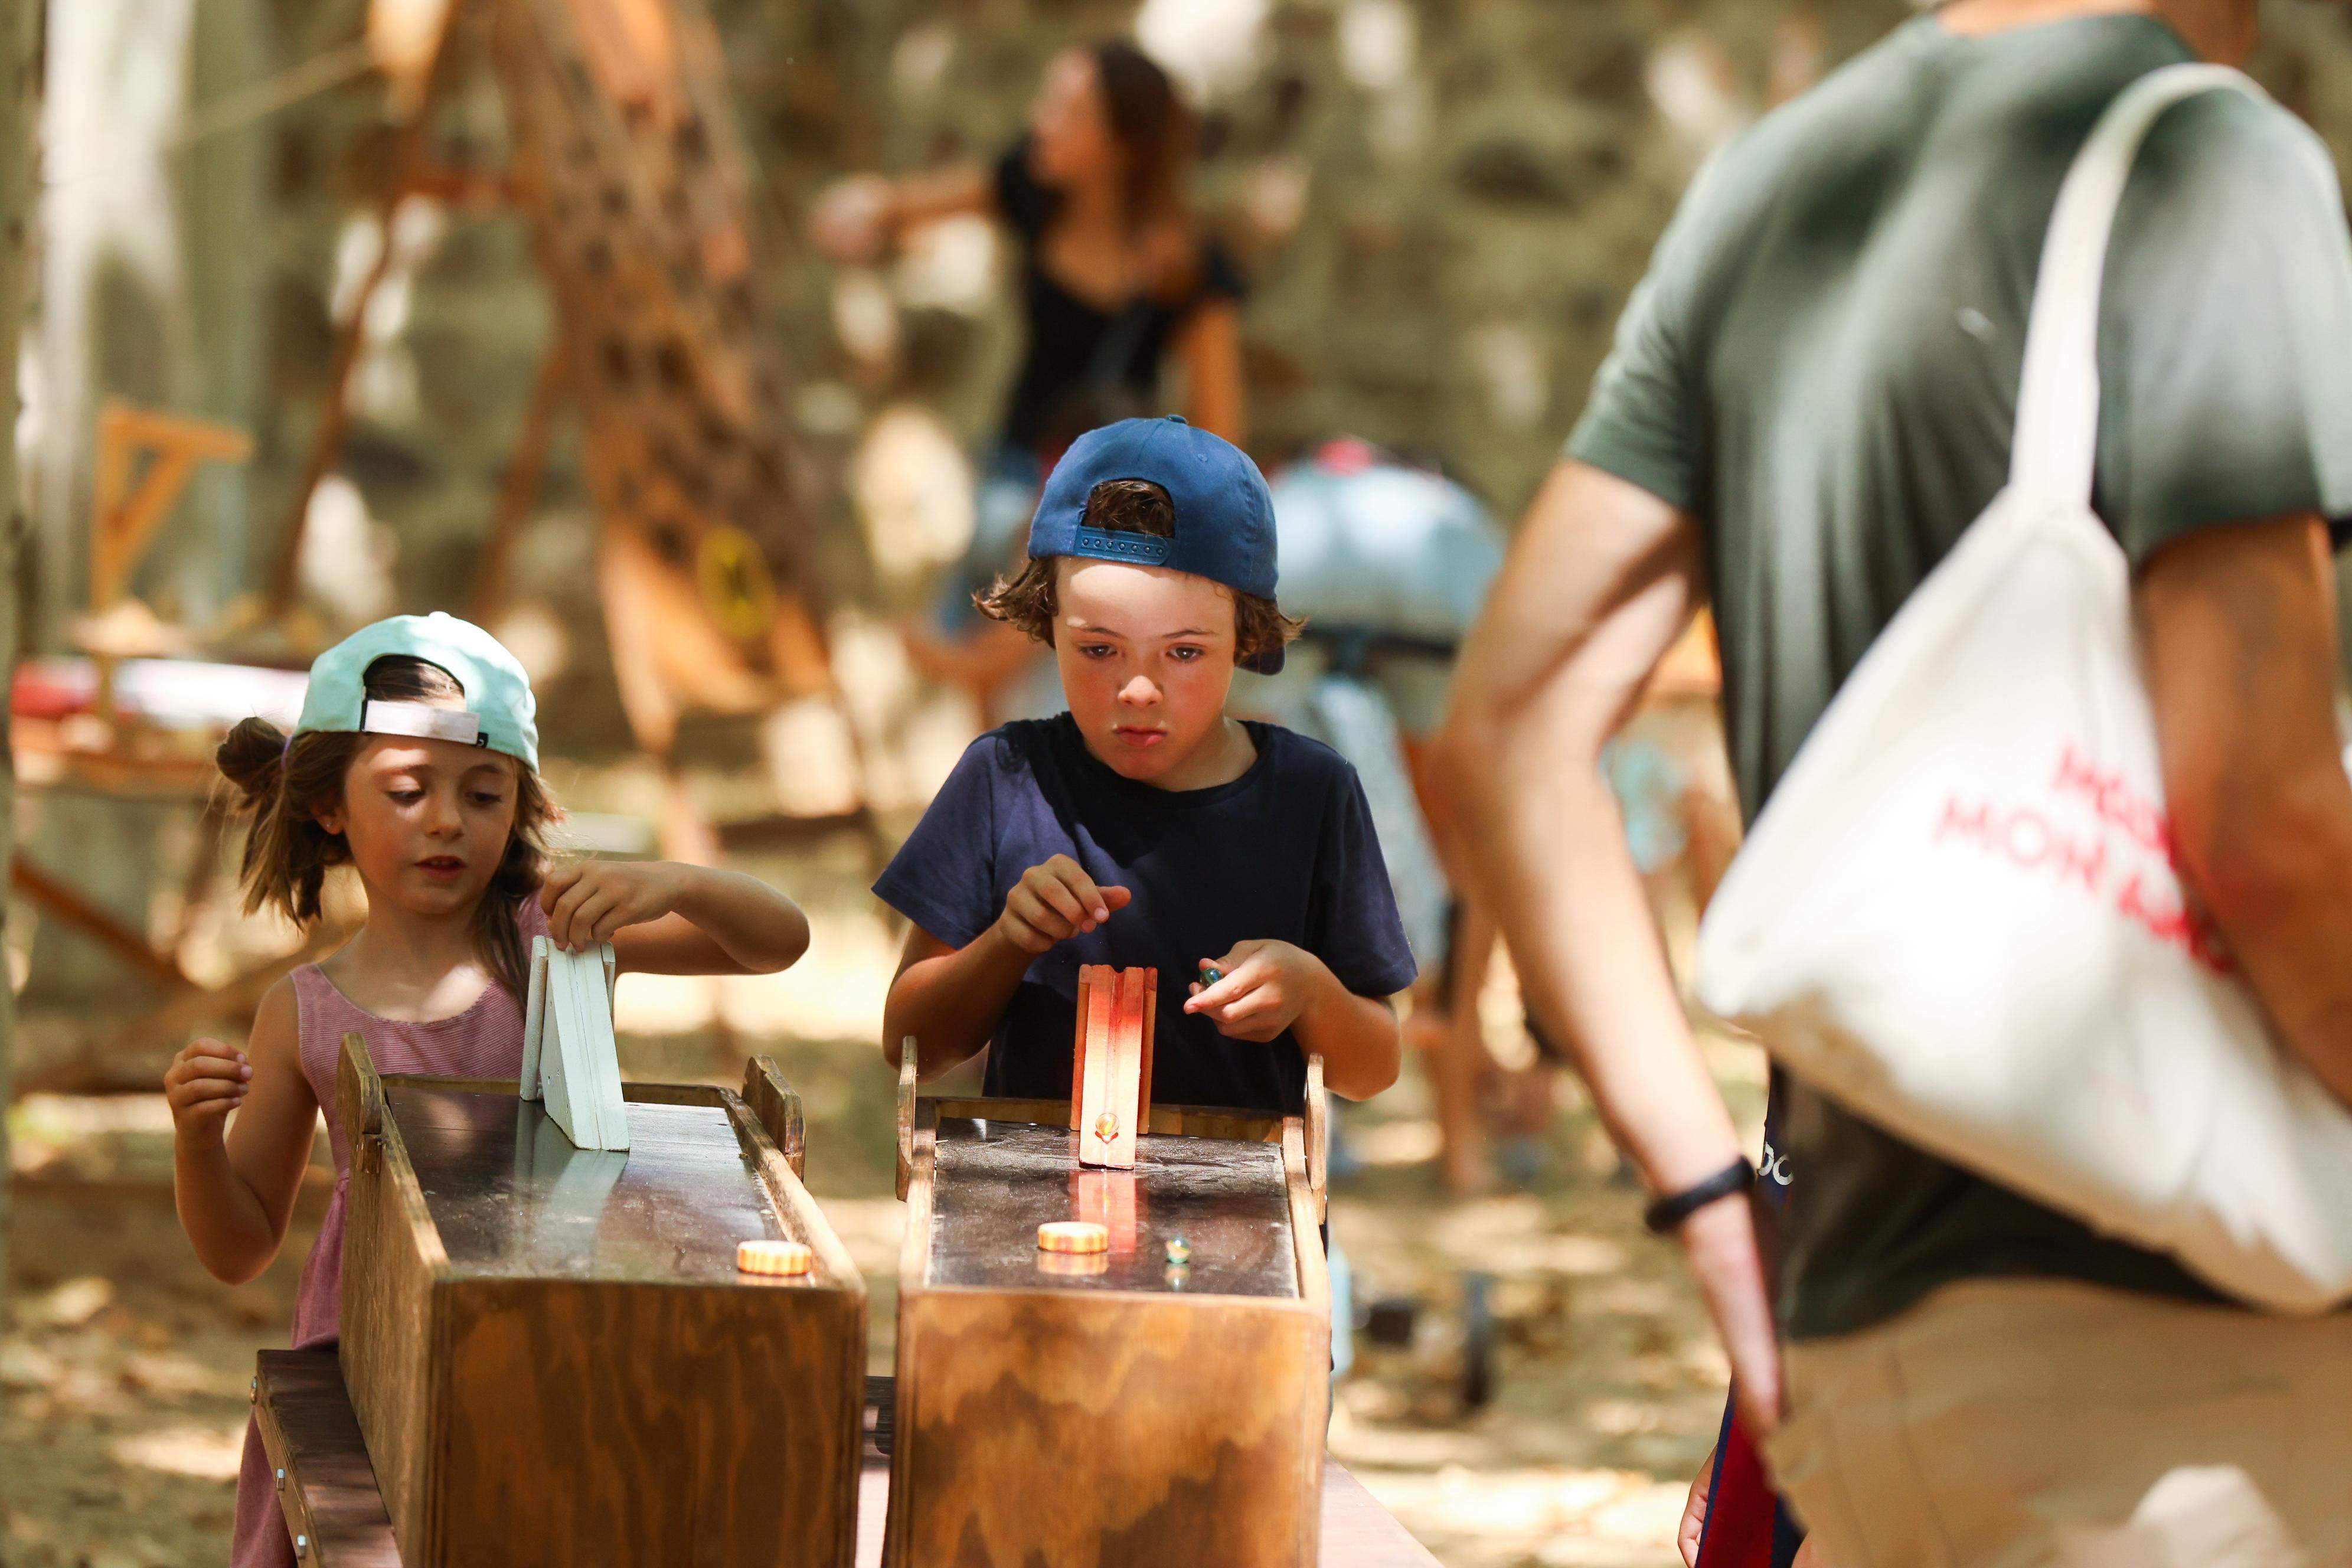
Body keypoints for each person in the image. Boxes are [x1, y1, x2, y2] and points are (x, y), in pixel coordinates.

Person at [1438, 1, 2352, 1564]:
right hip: (2171, 1354)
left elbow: (1509, 724)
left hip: (1859, 1359)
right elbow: (2257, 821)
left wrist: (1708, 1200)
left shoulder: (1768, 187)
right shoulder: (2209, 159)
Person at [162, 614, 812, 1568]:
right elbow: (238, 1246)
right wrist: (194, 1143)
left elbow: (778, 942)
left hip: (550, 1347)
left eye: (482, 793)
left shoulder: (559, 932)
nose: (445, 820)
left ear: (518, 804)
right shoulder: (301, 1011)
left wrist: (680, 883)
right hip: (365, 1369)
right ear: (329, 805)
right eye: (407, 790)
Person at [874, 416, 1416, 1113]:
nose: (1137, 689)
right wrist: (1008, 941)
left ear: (1245, 637)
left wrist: (1311, 992)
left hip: (1246, 1185)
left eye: (1183, 652)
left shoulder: (1314, 793)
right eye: (1099, 649)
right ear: (1046, 621)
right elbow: (910, 1044)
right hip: (1032, 1185)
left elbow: (1373, 1068)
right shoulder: (1004, 776)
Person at [815, 41, 1249, 729]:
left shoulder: (1184, 265)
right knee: (994, 684)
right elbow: (913, 205)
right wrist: (866, 212)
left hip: (1106, 499)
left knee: (1036, 644)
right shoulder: (1037, 190)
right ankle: (981, 709)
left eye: (1069, 111)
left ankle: (971, 666)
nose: (1042, 120)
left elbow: (1222, 430)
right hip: (1015, 464)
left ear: (1122, 146)